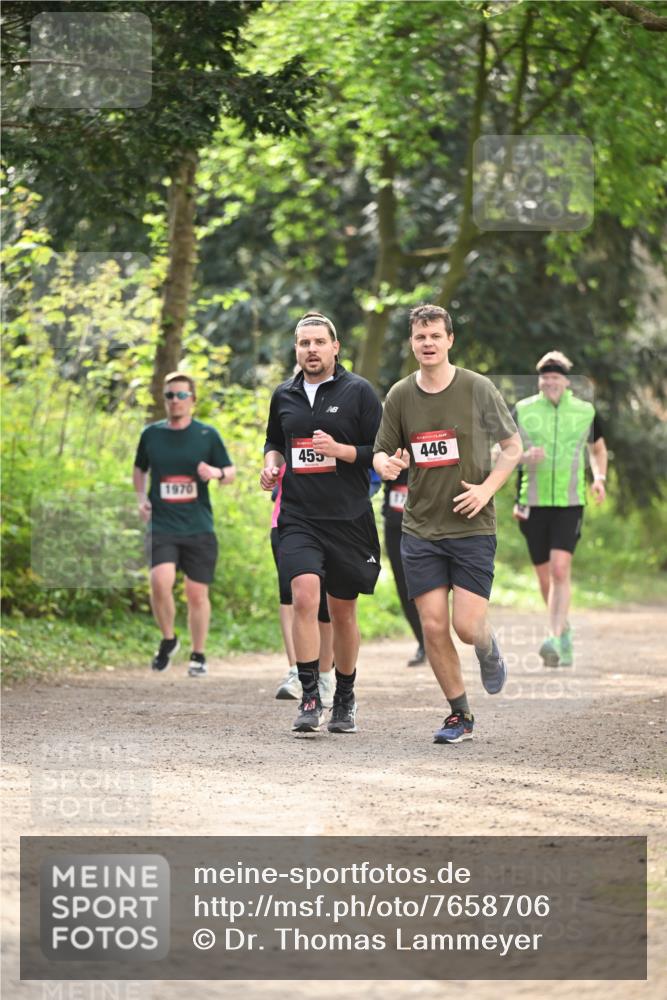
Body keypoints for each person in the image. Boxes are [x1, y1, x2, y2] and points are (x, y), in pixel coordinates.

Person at [373, 304, 521, 745]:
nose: (428, 343)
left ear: (449, 339)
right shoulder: (400, 395)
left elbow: (512, 447)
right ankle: (460, 714)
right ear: (412, 343)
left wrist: (487, 489)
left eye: (435, 335)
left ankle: (487, 647)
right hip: (420, 527)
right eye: (420, 337)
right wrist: (386, 464)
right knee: (433, 625)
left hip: (472, 526)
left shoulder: (477, 388)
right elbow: (382, 451)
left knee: (466, 626)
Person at [261, 311, 382, 735]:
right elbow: (276, 442)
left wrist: (341, 450)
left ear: (335, 347)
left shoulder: (359, 392)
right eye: (303, 343)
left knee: (344, 613)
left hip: (348, 518)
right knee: (304, 595)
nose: (311, 350)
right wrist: (271, 466)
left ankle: (345, 697)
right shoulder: (284, 395)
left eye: (318, 342)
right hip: (299, 516)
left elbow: (381, 452)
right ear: (296, 350)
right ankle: (310, 696)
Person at [133, 372, 235, 677]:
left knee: (195, 592)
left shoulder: (207, 435)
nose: (174, 401)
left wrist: (215, 473)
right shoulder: (151, 434)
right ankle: (169, 638)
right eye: (169, 396)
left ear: (192, 400)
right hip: (162, 523)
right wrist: (140, 497)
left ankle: (198, 654)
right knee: (159, 581)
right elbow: (139, 469)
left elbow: (230, 472)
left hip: (198, 525)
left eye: (180, 395)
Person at [513, 350, 607, 667]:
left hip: (570, 503)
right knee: (544, 577)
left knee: (559, 570)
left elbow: (598, 449)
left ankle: (552, 637)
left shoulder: (584, 411)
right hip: (533, 502)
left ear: (566, 381)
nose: (550, 382)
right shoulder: (524, 410)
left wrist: (600, 478)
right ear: (539, 381)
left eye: (555, 377)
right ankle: (564, 631)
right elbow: (508, 453)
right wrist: (526, 457)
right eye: (545, 377)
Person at [270, 463, 335, 707]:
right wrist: (270, 471)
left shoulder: (344, 425)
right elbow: (273, 450)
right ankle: (297, 670)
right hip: (287, 520)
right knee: (293, 597)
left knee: (327, 604)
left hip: (335, 519)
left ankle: (326, 674)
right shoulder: (287, 423)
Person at [381, 468, 427, 666]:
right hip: (396, 522)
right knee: (404, 586)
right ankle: (423, 642)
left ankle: (436, 638)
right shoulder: (388, 437)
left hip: (428, 522)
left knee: (430, 585)